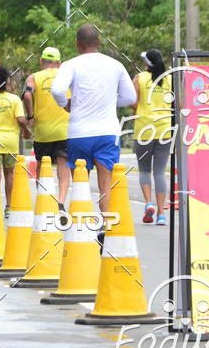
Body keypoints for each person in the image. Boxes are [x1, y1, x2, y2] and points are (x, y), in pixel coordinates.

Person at [51, 24, 136, 218]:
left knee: (81, 186)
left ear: (77, 44)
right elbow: (130, 98)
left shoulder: (71, 65)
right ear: (99, 42)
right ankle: (105, 229)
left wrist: (66, 104)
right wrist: (111, 101)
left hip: (79, 134)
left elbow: (56, 90)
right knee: (106, 186)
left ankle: (82, 234)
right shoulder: (116, 65)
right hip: (108, 133)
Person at [23, 47, 70, 209]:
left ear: (41, 61)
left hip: (43, 131)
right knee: (63, 166)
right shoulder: (66, 76)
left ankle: (45, 201)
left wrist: (30, 116)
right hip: (64, 129)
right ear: (59, 63)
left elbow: (27, 95)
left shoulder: (33, 77)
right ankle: (61, 201)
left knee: (42, 166)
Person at [0, 66, 31, 215]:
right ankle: (9, 207)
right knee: (10, 174)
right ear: (6, 82)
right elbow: (21, 119)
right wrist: (26, 131)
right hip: (10, 142)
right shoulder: (14, 99)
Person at [133, 49, 172, 225]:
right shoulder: (170, 78)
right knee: (159, 172)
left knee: (144, 170)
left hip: (143, 129)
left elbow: (133, 102)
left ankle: (149, 203)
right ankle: (162, 214)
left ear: (147, 63)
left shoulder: (139, 78)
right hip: (164, 129)